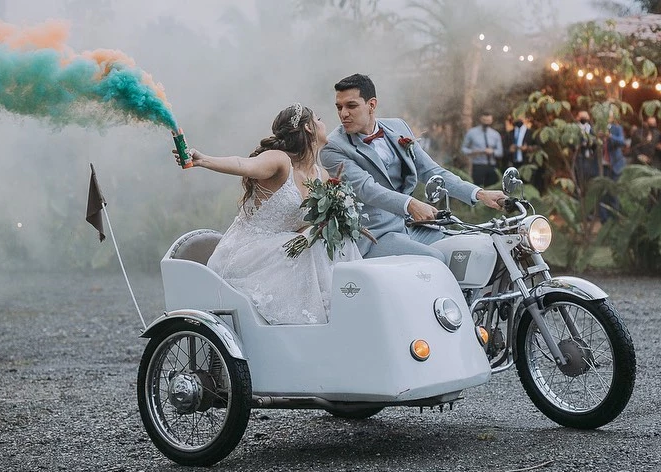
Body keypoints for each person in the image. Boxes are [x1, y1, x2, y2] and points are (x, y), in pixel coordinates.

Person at [175, 103, 362, 325]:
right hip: (249, 254)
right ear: (309, 128)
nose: (324, 123)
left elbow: (308, 225)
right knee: (313, 251)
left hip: (285, 250)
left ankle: (350, 314)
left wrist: (320, 229)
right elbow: (242, 163)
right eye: (318, 119)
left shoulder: (320, 175)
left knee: (339, 241)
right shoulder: (280, 160)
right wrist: (202, 159)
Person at [320, 73, 506, 262]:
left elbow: (431, 170)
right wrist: (411, 204)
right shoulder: (333, 147)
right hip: (374, 235)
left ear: (372, 105)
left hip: (410, 226)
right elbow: (367, 189)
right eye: (339, 107)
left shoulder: (398, 127)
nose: (343, 114)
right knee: (434, 259)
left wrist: (480, 194)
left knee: (471, 250)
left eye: (351, 106)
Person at [462, 111, 504, 187]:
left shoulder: (495, 134)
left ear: (491, 120)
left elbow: (500, 152)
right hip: (478, 165)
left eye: (488, 121)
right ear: (481, 119)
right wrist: (473, 152)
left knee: (492, 189)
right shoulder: (472, 133)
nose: (486, 123)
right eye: (485, 120)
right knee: (477, 189)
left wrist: (492, 152)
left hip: (492, 166)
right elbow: (464, 149)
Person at [573, 110, 598, 190]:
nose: (584, 119)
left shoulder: (591, 129)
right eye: (582, 117)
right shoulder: (574, 129)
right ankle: (578, 192)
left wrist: (591, 144)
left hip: (589, 156)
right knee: (578, 175)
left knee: (588, 175)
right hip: (578, 155)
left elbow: (596, 142)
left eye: (585, 117)